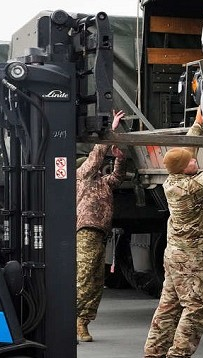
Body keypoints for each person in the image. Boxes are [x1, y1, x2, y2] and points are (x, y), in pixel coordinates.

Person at [144, 108, 203, 358]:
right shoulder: (191, 186)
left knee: (169, 306)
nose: (195, 161)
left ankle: (154, 353)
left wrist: (197, 126)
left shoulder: (174, 179)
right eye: (191, 163)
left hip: (175, 255)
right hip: (190, 258)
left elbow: (188, 152)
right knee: (197, 306)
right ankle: (178, 354)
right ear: (184, 169)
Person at [76, 110, 126, 342]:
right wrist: (111, 131)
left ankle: (83, 322)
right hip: (86, 232)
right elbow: (95, 157)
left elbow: (117, 178)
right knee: (84, 277)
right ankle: (73, 319)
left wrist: (120, 158)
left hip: (99, 235)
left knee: (96, 281)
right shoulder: (81, 177)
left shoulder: (102, 184)